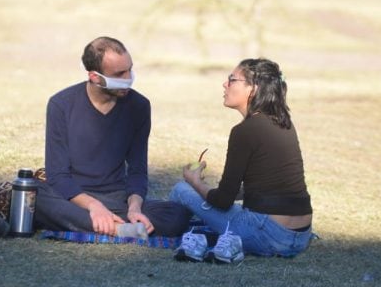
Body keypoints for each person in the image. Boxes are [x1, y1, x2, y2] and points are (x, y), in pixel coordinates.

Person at [32, 36, 192, 237]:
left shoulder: (139, 107)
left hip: (117, 199)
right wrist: (93, 206)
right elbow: (57, 175)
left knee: (177, 215)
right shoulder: (61, 105)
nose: (128, 79)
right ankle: (118, 229)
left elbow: (137, 170)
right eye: (119, 74)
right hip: (73, 197)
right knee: (33, 198)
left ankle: (111, 224)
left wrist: (134, 208)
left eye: (129, 70)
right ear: (94, 77)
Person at [169, 58, 315, 263]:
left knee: (181, 190)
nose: (225, 84)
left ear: (253, 89)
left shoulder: (244, 131)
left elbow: (223, 201)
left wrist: (195, 181)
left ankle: (190, 234)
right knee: (213, 201)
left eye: (232, 80)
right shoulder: (284, 123)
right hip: (301, 236)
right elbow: (269, 187)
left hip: (268, 235)